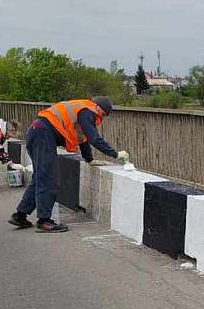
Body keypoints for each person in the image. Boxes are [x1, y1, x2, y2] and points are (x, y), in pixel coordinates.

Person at [7, 96, 127, 233]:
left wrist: (89, 159)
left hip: (37, 131)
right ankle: (44, 221)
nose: (102, 118)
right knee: (49, 179)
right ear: (98, 107)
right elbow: (94, 138)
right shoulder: (88, 111)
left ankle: (20, 215)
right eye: (103, 114)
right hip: (43, 134)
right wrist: (115, 154)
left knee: (40, 177)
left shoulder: (82, 111)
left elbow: (83, 139)